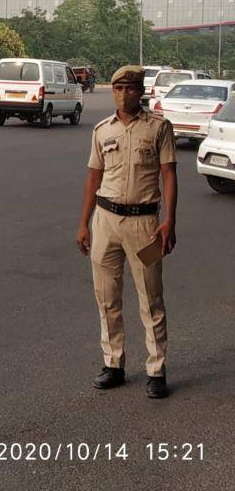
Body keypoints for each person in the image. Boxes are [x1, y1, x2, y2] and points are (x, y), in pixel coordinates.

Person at [75, 65, 177, 399]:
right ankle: (113, 364)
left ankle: (156, 369)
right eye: (118, 88)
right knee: (106, 298)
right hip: (106, 221)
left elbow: (169, 175)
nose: (123, 94)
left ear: (141, 91)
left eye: (130, 88)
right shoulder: (102, 130)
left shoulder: (159, 128)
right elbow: (93, 177)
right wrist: (83, 224)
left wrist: (169, 222)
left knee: (151, 299)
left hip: (145, 225)